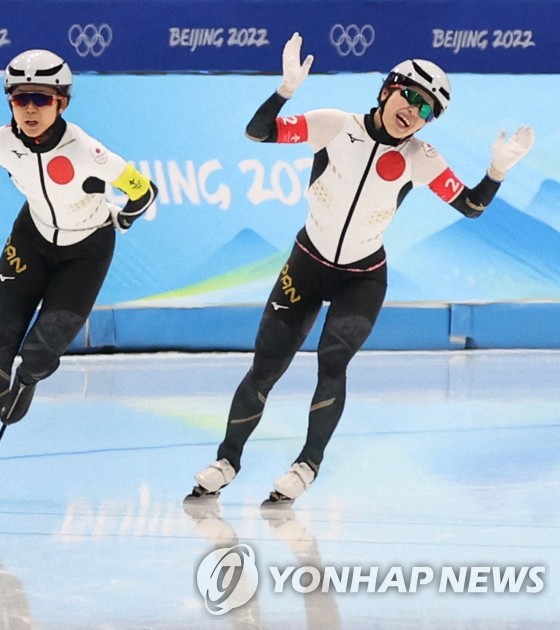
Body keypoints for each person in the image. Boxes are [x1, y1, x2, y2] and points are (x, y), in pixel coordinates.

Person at [189, 33, 535, 505]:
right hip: (306, 264)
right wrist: (285, 91)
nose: (413, 111)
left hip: (363, 277)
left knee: (333, 363)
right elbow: (259, 132)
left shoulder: (422, 158)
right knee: (266, 366)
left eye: (427, 109)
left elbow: (470, 206)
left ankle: (307, 464)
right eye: (409, 95)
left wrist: (497, 170)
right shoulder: (333, 125)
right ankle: (226, 460)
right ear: (386, 90)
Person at [0, 49, 158, 496]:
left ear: (61, 102)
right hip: (31, 239)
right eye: (20, 98)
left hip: (85, 253)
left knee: (38, 354)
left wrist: (120, 219)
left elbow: (144, 192)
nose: (29, 109)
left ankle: (29, 379)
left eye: (41, 100)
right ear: (9, 101)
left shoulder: (89, 153)